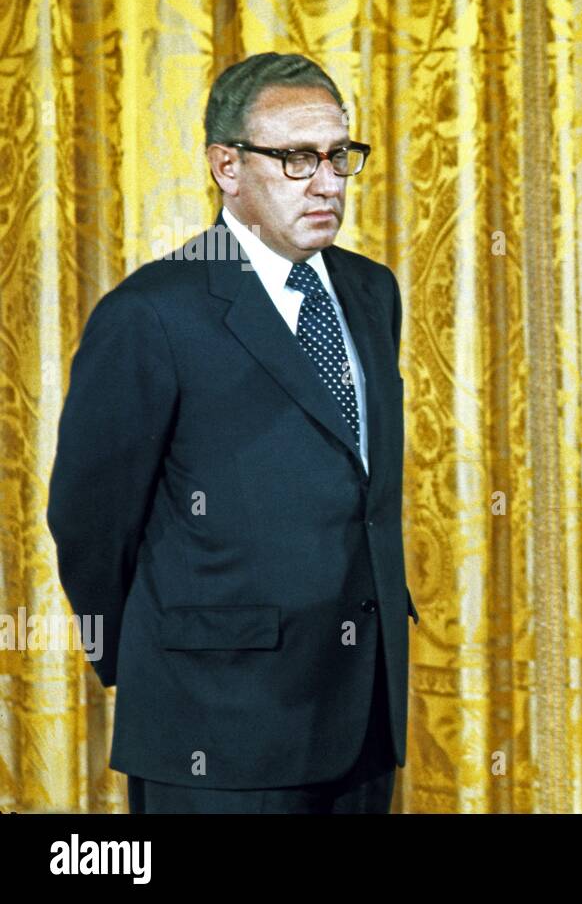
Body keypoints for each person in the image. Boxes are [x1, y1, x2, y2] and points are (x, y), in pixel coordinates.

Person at [46, 52, 415, 813]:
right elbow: (90, 520)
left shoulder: (373, 291)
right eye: (296, 159)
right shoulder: (152, 312)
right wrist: (157, 657)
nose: (328, 183)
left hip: (363, 717)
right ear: (226, 165)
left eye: (339, 155)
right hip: (214, 725)